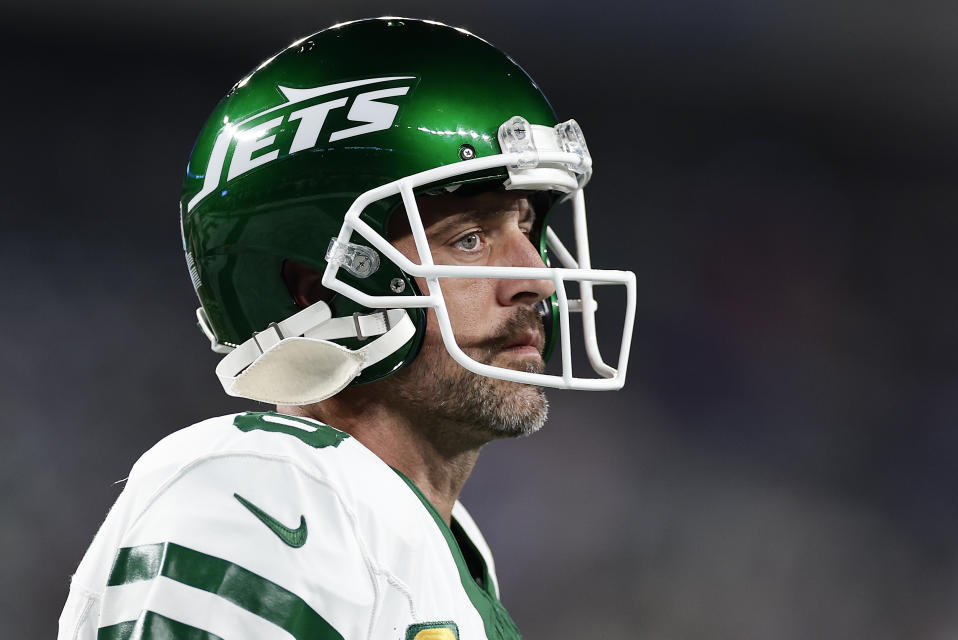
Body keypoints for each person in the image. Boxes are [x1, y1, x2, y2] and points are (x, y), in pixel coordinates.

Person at [58, 17, 635, 640]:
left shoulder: (425, 543)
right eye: (469, 240)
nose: (537, 279)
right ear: (318, 290)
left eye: (527, 229)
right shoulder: (267, 496)